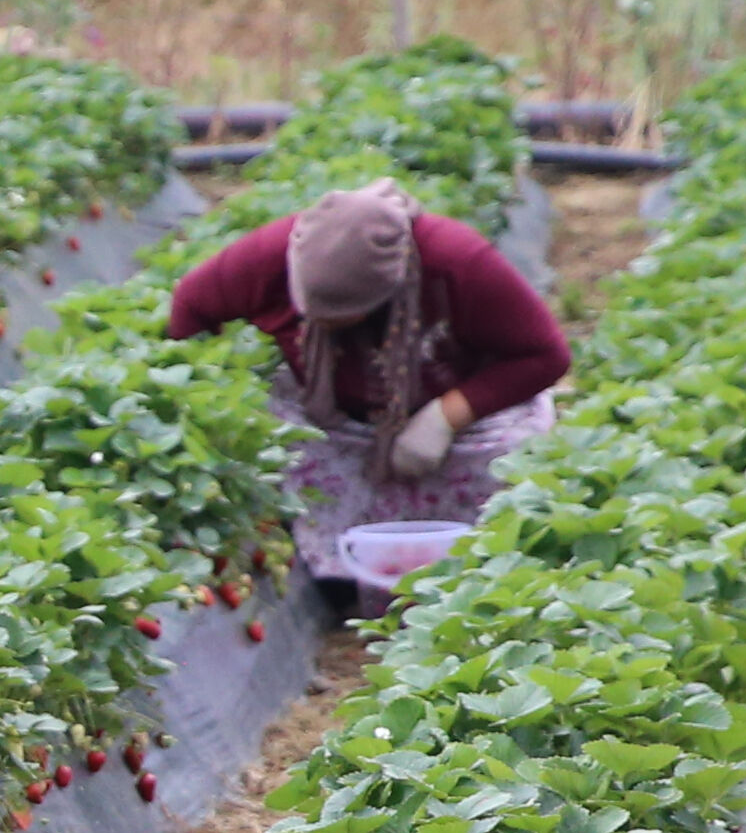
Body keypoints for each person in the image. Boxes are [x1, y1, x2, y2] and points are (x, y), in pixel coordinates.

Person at [158, 182, 569, 591]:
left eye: (344, 315)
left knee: (511, 446)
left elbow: (546, 355)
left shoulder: (455, 260)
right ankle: (339, 577)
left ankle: (479, 567)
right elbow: (190, 306)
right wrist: (209, 398)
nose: (327, 324)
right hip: (334, 420)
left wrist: (445, 417)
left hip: (457, 416)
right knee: (281, 435)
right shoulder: (269, 255)